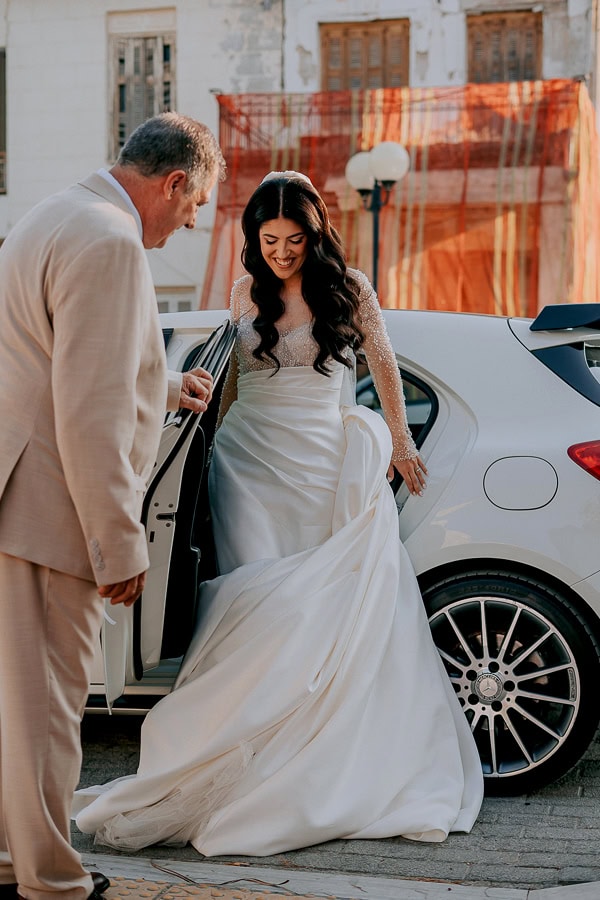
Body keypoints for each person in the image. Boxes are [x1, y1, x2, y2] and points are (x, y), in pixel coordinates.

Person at [73, 171, 484, 857]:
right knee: (255, 602)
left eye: (295, 240)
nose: (283, 253)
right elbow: (231, 381)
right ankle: (248, 750)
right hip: (246, 467)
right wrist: (196, 451)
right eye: (270, 241)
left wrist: (400, 441)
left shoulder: (349, 288)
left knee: (306, 607)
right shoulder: (243, 292)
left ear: (314, 235)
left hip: (319, 463)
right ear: (254, 239)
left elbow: (383, 364)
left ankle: (301, 757)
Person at [0, 112, 225, 900]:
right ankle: (51, 882)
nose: (189, 223)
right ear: (173, 183)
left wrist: (161, 384)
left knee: (19, 706)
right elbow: (89, 408)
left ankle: (14, 859)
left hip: (16, 496)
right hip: (49, 509)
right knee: (49, 713)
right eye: (194, 206)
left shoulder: (54, 213)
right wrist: (118, 544)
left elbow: (55, 359)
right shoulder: (111, 241)